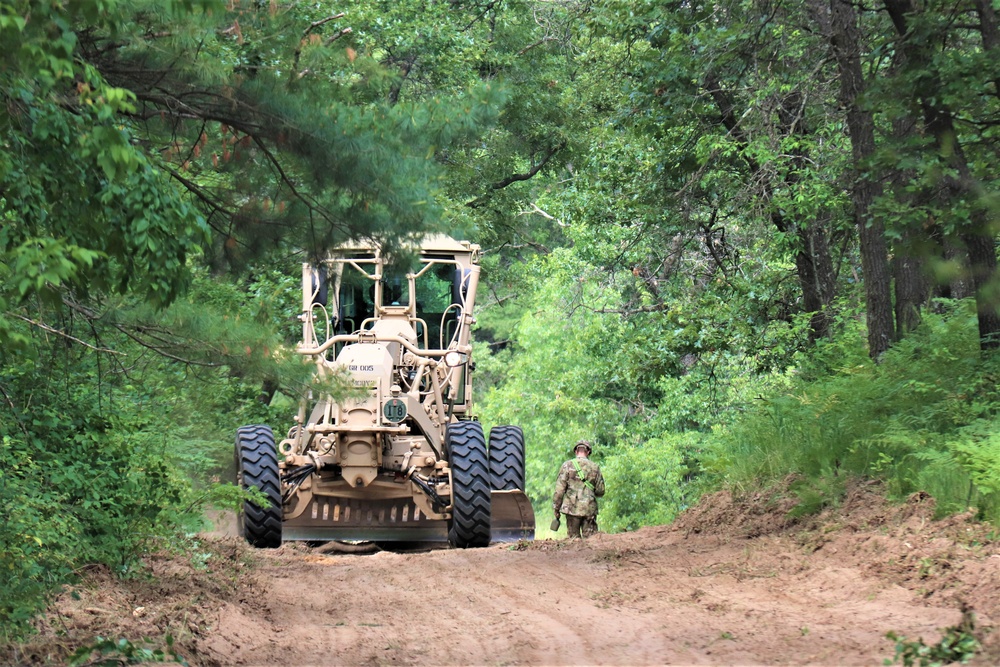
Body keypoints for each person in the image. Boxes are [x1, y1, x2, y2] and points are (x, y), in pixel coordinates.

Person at [552, 440, 605, 538]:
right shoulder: (595, 467)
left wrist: (556, 509)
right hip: (589, 509)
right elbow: (600, 491)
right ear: (588, 452)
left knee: (573, 541)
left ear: (576, 451)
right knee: (591, 541)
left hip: (572, 509)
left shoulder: (567, 466)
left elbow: (559, 491)